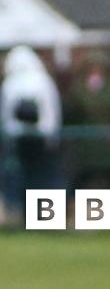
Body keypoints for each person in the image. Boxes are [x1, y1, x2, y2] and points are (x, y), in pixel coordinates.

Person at [1, 45, 62, 222]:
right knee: (41, 179)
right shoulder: (44, 81)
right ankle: (45, 218)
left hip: (19, 140)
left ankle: (22, 217)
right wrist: (51, 134)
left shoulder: (10, 83)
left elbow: (6, 115)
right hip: (41, 139)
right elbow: (52, 112)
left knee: (23, 180)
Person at [63, 50, 110, 193]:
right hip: (84, 146)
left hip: (108, 144)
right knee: (81, 180)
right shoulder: (78, 88)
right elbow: (72, 113)